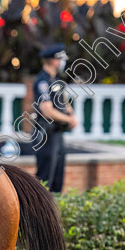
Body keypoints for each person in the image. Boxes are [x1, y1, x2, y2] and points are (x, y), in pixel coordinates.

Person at [33, 43, 78, 193]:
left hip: (58, 134)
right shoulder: (42, 81)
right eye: (60, 59)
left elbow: (64, 102)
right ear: (53, 60)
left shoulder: (56, 81)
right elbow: (46, 110)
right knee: (45, 180)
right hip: (46, 134)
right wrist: (68, 120)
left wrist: (71, 115)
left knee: (58, 180)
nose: (62, 63)